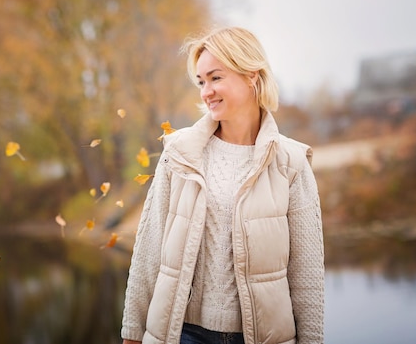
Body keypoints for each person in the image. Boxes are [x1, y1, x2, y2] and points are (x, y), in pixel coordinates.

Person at [120, 26, 325, 344]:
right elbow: (149, 251)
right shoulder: (180, 153)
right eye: (201, 81)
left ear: (251, 76)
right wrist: (132, 334)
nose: (206, 91)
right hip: (182, 334)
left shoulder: (291, 162)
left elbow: (307, 275)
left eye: (216, 78)